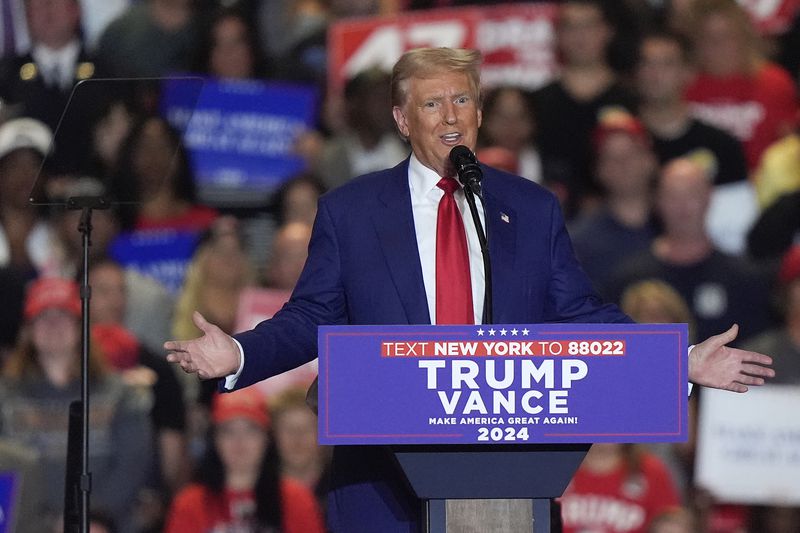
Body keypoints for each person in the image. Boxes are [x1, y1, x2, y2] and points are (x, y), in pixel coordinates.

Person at [166, 47, 775, 532]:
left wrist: (680, 361)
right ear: (404, 120)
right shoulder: (351, 212)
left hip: (511, 472)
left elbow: (580, 313)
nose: (452, 117)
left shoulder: (530, 209)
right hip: (382, 478)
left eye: (463, 100)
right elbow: (312, 317)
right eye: (433, 105)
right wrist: (240, 354)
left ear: (480, 113)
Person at [164, 387, 325, 533]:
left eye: (250, 430)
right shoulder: (190, 504)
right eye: (228, 431)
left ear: (267, 439)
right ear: (215, 440)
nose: (239, 442)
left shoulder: (295, 499)